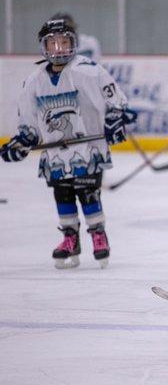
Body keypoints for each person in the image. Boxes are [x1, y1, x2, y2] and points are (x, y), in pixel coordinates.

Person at [0, 18, 134, 269]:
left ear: (73, 43)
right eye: (53, 43)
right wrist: (22, 142)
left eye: (63, 42)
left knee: (88, 192)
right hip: (56, 155)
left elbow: (116, 101)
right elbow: (28, 123)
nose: (59, 49)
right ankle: (70, 238)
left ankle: (97, 233)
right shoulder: (34, 81)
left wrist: (116, 119)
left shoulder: (89, 70)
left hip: (88, 149)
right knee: (62, 194)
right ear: (44, 47)